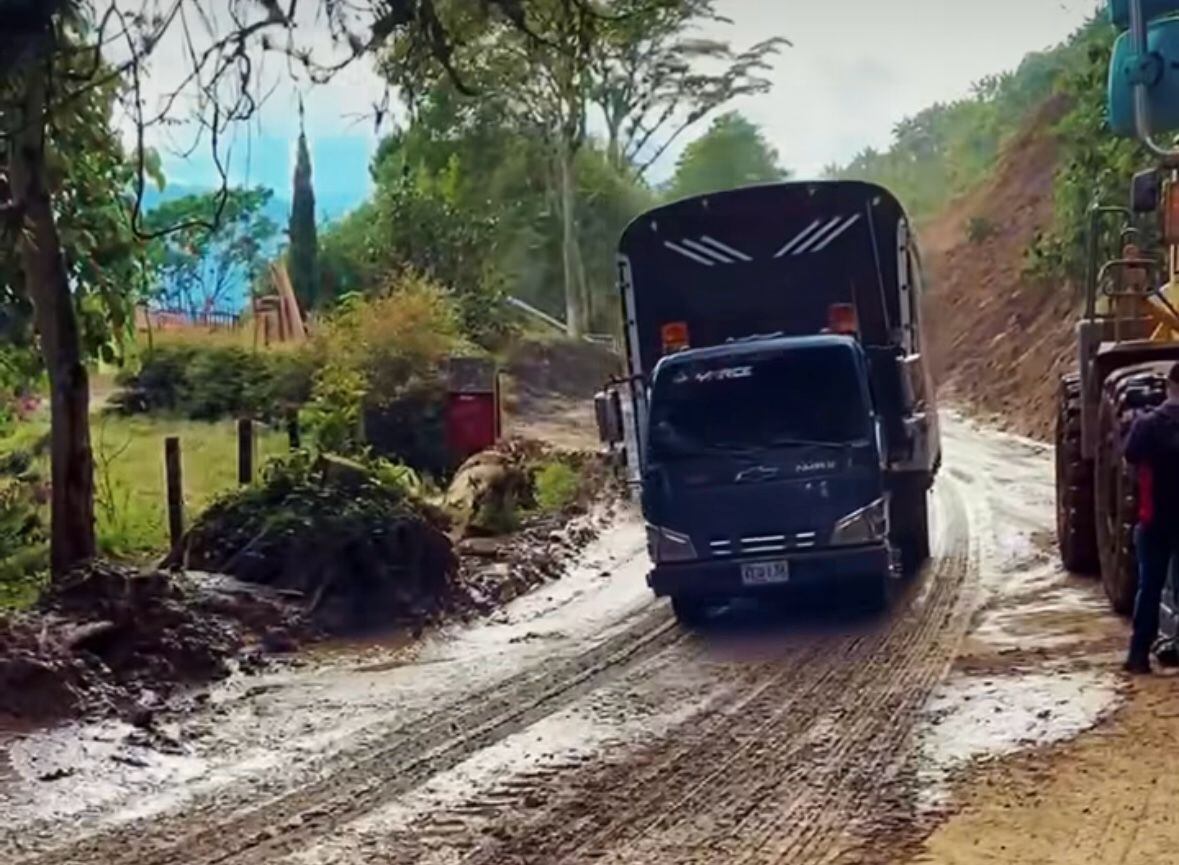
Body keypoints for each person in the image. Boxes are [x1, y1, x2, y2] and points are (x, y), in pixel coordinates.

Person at [1123, 361, 1179, 674]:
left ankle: (1138, 656)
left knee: (1150, 587)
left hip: (1154, 518)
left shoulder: (1148, 425)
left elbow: (1130, 455)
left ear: (1170, 387)